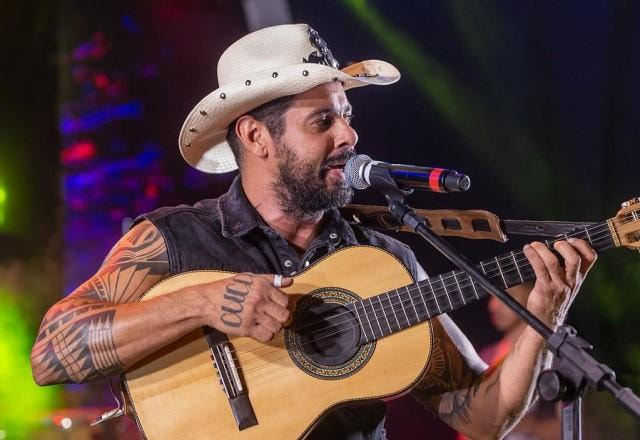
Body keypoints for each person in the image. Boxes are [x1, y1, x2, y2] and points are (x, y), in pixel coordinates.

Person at [30, 24, 597, 439]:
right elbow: (52, 356)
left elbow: (483, 416)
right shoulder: (174, 241)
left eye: (346, 115)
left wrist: (541, 319)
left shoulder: (384, 260)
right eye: (322, 121)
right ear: (255, 137)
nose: (348, 136)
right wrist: (200, 303)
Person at [458, 284, 562, 440]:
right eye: (493, 296)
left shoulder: (553, 359)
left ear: (533, 297)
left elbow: (572, 429)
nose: (493, 305)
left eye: (507, 296)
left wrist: (516, 423)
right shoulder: (486, 357)